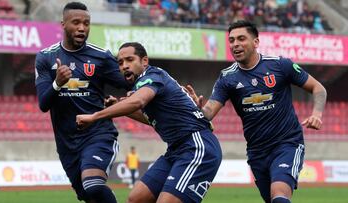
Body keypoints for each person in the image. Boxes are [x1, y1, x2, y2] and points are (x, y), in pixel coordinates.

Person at [186, 20, 327, 203]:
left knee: (279, 194)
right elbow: (209, 112)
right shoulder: (227, 77)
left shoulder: (280, 66)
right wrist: (197, 108)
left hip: (287, 144)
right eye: (231, 40)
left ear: (256, 42)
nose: (235, 44)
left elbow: (318, 88)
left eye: (241, 39)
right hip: (257, 151)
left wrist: (317, 114)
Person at [76, 42, 222, 203]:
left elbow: (137, 102)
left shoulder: (152, 76)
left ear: (144, 61)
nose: (124, 66)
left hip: (197, 146)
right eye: (120, 62)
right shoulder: (145, 85)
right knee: (137, 198)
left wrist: (95, 116)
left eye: (129, 60)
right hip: (176, 149)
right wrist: (117, 106)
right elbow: (150, 119)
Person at [34, 2, 128, 203]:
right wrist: (58, 83)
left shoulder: (101, 57)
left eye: (86, 23)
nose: (82, 28)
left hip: (98, 134)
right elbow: (43, 103)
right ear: (63, 24)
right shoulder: (45, 57)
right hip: (67, 143)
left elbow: (129, 83)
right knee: (89, 196)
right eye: (76, 22)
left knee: (93, 185)